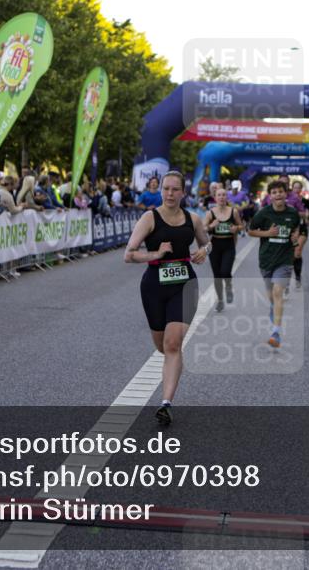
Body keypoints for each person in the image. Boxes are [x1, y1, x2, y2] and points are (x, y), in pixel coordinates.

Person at [124, 170, 210, 426]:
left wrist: (203, 251)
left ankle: (165, 403)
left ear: (183, 192)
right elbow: (128, 255)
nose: (170, 194)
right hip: (153, 287)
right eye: (166, 189)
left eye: (175, 189)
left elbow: (207, 243)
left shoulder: (192, 219)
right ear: (161, 190)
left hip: (185, 284)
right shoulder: (149, 218)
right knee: (162, 346)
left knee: (173, 344)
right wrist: (156, 254)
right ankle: (169, 382)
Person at [248, 180, 303, 348]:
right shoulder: (263, 213)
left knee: (278, 292)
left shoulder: (293, 213)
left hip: (285, 260)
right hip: (266, 260)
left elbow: (296, 231)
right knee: (272, 297)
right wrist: (268, 233)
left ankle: (275, 332)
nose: (278, 194)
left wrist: (295, 239)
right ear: (270, 196)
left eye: (281, 191)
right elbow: (250, 230)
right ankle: (274, 310)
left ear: (286, 194)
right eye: (274, 192)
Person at [204, 185, 243, 312]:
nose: (221, 197)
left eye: (224, 195)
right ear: (215, 198)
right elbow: (203, 229)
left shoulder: (233, 211)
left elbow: (241, 225)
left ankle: (229, 286)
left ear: (227, 197)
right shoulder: (210, 213)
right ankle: (220, 300)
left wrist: (236, 228)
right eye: (219, 195)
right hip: (215, 246)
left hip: (229, 246)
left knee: (225, 272)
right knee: (217, 276)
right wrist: (211, 226)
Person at [289, 180, 309, 289]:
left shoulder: (305, 201)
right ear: (292, 189)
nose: (297, 190)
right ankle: (292, 274)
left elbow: (308, 215)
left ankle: (297, 277)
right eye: (295, 188)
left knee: (297, 251)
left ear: (301, 189)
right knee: (292, 255)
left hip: (302, 228)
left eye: (299, 188)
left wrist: (305, 216)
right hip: (291, 229)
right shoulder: (288, 200)